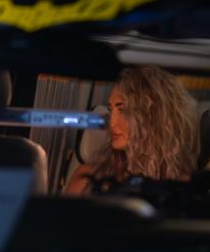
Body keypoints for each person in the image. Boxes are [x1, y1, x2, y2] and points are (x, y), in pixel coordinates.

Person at [66, 65, 199, 194]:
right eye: (110, 111)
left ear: (152, 116)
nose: (111, 123)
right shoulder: (87, 178)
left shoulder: (181, 185)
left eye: (123, 110)